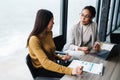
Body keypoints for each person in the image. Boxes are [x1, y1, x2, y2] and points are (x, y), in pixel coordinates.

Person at [26, 9, 83, 78]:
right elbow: (45, 63)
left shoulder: (49, 33)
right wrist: (70, 71)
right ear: (45, 22)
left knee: (79, 69)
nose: (53, 23)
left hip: (53, 64)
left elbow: (50, 53)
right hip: (43, 69)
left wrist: (61, 58)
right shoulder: (34, 40)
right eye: (52, 20)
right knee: (74, 75)